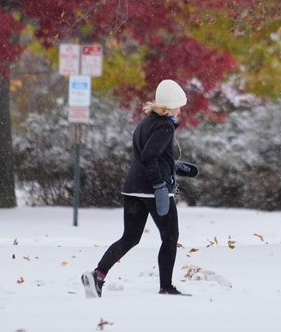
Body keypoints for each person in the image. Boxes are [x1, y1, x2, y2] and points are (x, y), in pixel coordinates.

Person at [81, 79, 199, 297]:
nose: (181, 109)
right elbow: (149, 156)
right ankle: (166, 287)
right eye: (179, 104)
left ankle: (97, 275)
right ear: (170, 104)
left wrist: (173, 166)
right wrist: (160, 185)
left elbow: (147, 154)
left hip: (133, 187)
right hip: (152, 190)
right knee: (170, 237)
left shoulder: (146, 122)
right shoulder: (164, 125)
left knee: (130, 237)